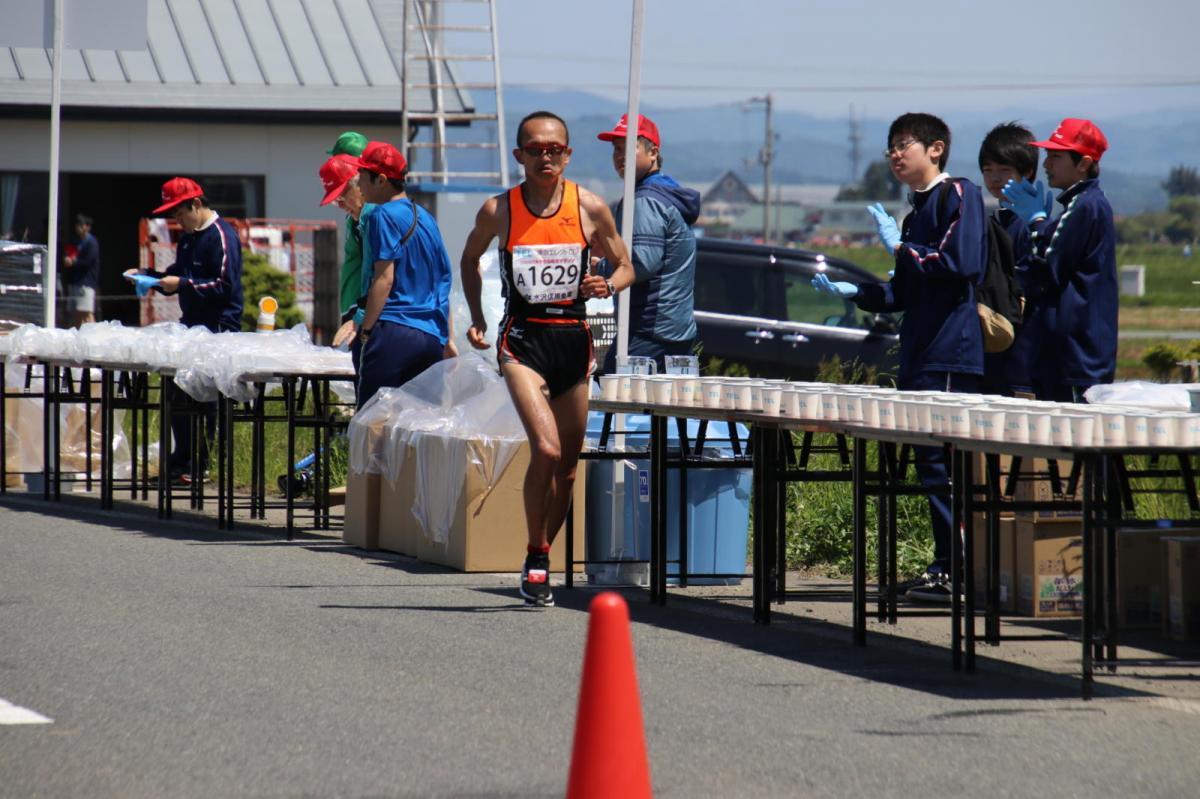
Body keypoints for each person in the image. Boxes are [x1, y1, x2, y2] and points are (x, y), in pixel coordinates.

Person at [459, 111, 635, 607]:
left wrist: (608, 283)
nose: (546, 157)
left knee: (569, 469)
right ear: (519, 156)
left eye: (555, 149)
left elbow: (626, 268)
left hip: (573, 341)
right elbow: (469, 259)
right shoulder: (500, 210)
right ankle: (537, 555)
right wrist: (477, 315)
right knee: (548, 450)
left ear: (568, 154)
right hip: (523, 342)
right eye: (535, 149)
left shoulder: (591, 206)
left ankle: (542, 549)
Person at [812, 112, 988, 602]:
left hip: (950, 355)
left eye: (904, 143)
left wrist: (903, 247)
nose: (894, 153)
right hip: (919, 353)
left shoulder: (959, 195)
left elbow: (960, 263)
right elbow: (903, 293)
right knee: (930, 466)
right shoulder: (914, 215)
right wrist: (859, 292)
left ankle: (960, 572)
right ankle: (944, 567)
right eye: (890, 146)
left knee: (946, 467)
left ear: (936, 149)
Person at [125, 177, 244, 483]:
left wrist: (183, 283)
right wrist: (150, 278)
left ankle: (204, 462)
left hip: (218, 327)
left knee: (206, 398)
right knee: (176, 389)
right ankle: (182, 458)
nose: (178, 221)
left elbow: (223, 284)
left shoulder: (221, 234)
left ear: (195, 205)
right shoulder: (189, 238)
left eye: (179, 214)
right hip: (191, 326)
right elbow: (177, 275)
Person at [1003, 118, 1116, 402]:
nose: (1046, 165)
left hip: (1078, 355)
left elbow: (1045, 268)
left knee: (1081, 439)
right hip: (1072, 352)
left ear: (1083, 163)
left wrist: (1037, 223)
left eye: (1056, 156)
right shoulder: (1077, 205)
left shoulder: (1084, 205)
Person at [350, 141, 456, 408]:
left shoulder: (382, 216)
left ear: (381, 180)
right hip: (430, 336)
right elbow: (443, 282)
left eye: (362, 176)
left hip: (393, 330)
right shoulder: (427, 218)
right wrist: (446, 338)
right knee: (417, 425)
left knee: (373, 422)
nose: (358, 183)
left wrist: (367, 331)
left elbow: (384, 278)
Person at [594, 113, 700, 373]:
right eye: (616, 149)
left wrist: (601, 268)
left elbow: (641, 264)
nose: (620, 156)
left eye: (629, 148)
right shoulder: (669, 192)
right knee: (663, 410)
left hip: (647, 328)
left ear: (653, 153)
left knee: (614, 398)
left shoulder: (645, 201)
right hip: (676, 329)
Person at [977, 122, 1051, 396]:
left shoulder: (1027, 224)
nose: (994, 178)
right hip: (997, 351)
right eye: (988, 170)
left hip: (1021, 357)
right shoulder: (997, 220)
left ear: (1028, 172)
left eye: (1004, 170)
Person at [316, 153, 367, 369]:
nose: (341, 205)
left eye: (342, 196)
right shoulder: (357, 219)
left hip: (371, 319)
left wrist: (361, 316)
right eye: (336, 201)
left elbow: (383, 274)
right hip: (359, 314)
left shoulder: (373, 217)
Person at [63, 213, 100, 327]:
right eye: (77, 225)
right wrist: (68, 258)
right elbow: (70, 254)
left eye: (81, 225)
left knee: (87, 312)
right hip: (76, 281)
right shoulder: (77, 242)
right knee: (77, 313)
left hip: (86, 282)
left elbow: (89, 260)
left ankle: (95, 335)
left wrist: (74, 261)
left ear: (87, 227)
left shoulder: (91, 242)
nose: (78, 228)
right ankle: (79, 336)